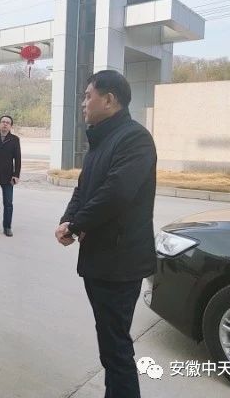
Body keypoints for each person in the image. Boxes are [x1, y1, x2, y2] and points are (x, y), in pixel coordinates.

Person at [55, 70, 157, 398]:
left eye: (88, 96)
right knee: (111, 344)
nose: (83, 103)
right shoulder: (101, 140)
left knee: (116, 349)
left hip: (120, 261)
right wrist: (68, 220)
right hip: (101, 259)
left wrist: (77, 225)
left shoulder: (134, 139)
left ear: (109, 100)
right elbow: (84, 189)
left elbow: (116, 193)